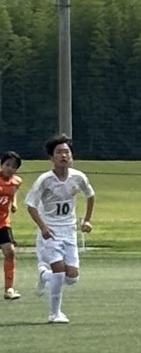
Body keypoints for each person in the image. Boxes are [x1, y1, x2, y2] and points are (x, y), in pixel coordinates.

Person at [25, 134, 95, 324]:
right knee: (59, 270)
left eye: (67, 152)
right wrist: (43, 227)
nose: (64, 155)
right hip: (50, 231)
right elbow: (30, 205)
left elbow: (90, 195)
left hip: (69, 230)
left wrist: (87, 220)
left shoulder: (78, 177)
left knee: (72, 277)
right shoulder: (45, 180)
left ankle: (43, 275)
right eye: (59, 152)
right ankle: (54, 313)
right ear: (51, 157)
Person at [0, 151, 23, 300]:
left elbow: (13, 192)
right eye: (7, 165)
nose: (10, 168)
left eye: (13, 166)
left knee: (10, 252)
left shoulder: (16, 181)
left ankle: (9, 288)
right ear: (2, 164)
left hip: (3, 223)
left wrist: (14, 203)